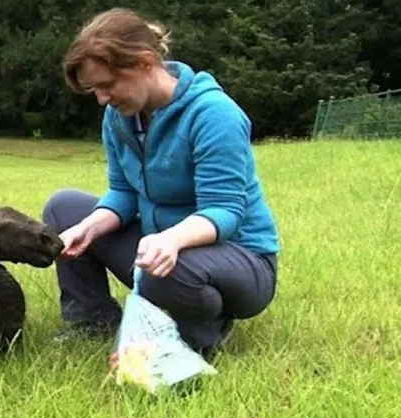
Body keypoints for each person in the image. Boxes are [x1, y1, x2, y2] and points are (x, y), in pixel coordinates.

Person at [41, 7, 280, 359]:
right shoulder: (119, 117)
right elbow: (123, 192)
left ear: (145, 62)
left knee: (165, 269)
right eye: (94, 89)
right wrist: (89, 227)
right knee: (64, 209)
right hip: (163, 248)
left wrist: (170, 240)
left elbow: (224, 211)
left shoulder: (215, 114)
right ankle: (93, 321)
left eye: (107, 85)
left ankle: (200, 334)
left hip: (242, 260)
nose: (102, 99)